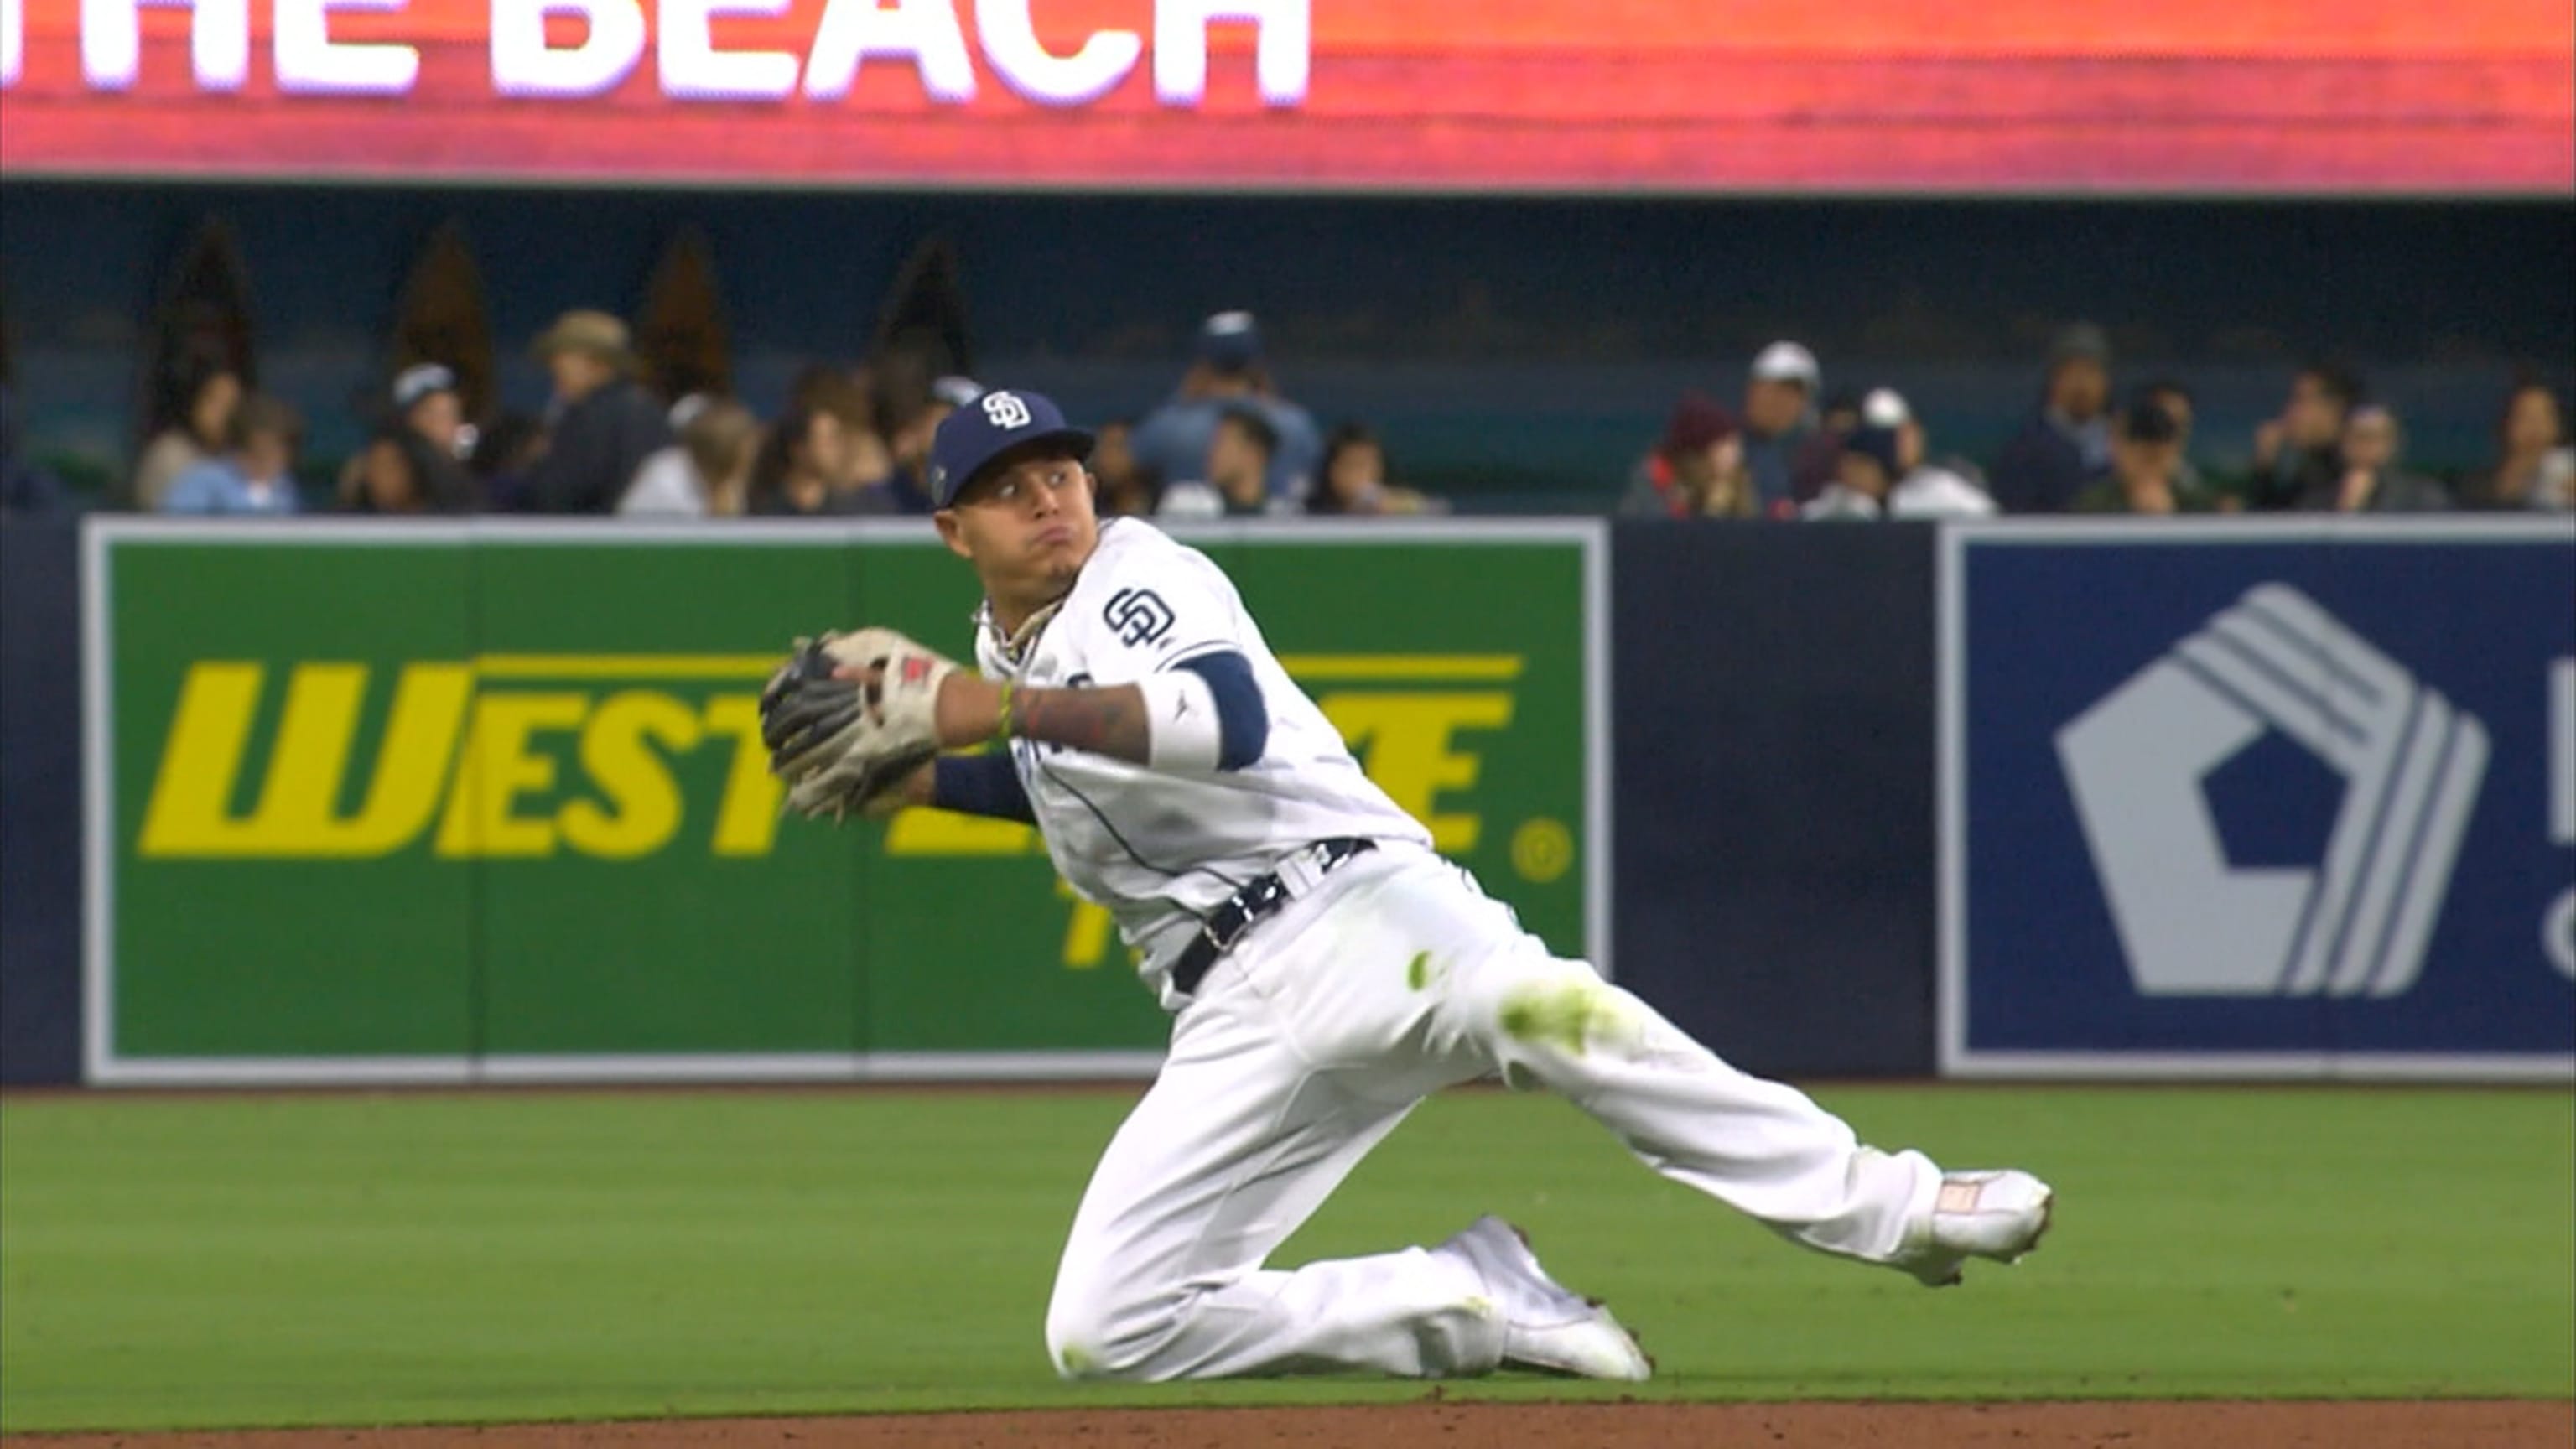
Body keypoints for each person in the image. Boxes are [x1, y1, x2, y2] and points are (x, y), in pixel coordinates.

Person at [759, 386, 2055, 1386]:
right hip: (1232, 1013)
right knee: (1106, 1332)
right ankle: (1465, 1304)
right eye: (1006, 488)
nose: (1049, 499)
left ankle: (1896, 1206)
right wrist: (929, 785)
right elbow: (1064, 783)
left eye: (1060, 470)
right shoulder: (1003, 646)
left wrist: (995, 711)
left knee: (1547, 1016)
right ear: (952, 532)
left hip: (1362, 910)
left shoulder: (1134, 573)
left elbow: (1220, 724)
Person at [1130, 311, 1323, 505]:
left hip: (1189, 532)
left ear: (1203, 364)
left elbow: (1130, 465)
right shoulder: (1294, 422)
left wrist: (1181, 398)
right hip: (1284, 531)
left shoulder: (1167, 425)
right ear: (1255, 362)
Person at [521, 310, 673, 513]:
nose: (553, 365)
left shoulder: (586, 417)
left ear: (596, 363)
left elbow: (556, 495)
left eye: (562, 355)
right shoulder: (652, 412)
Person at [1987, 324, 2112, 514]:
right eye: (2071, 372)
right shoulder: (2024, 449)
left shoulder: (2124, 443)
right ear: (2053, 379)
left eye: (2091, 371)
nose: (2082, 384)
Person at [1802, 417, 1995, 521]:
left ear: (1884, 471)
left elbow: (1987, 518)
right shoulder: (1838, 505)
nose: (1848, 472)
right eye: (1846, 462)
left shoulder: (1932, 492)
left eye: (1860, 464)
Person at [131, 353, 242, 512]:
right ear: (193, 401)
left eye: (232, 404)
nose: (225, 413)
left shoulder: (244, 459)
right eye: (215, 401)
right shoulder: (169, 454)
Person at [2245, 362, 2361, 512]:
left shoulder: (2358, 475)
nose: (2290, 413)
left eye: (2301, 401)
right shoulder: (2305, 473)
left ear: (2335, 408)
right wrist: (2264, 472)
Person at [161, 394, 302, 516]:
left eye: (278, 453)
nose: (270, 462)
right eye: (260, 453)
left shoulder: (284, 487)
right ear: (240, 449)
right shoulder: (204, 481)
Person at [747, 398, 887, 517]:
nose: (837, 448)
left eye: (837, 438)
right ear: (798, 450)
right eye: (827, 441)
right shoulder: (766, 512)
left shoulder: (852, 510)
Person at [1621, 393, 1753, 519]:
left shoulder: (1736, 481)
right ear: (1702, 450)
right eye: (1727, 443)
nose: (1737, 454)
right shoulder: (1654, 482)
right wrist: (1712, 513)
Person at [2072, 400, 2216, 514]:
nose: (2148, 468)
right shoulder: (2091, 507)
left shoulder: (2200, 505)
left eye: (2156, 457)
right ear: (2117, 448)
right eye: (2141, 457)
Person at [2298, 405, 2450, 513]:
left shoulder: (2423, 496)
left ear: (2393, 444)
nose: (2365, 445)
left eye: (2374, 437)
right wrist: (2347, 508)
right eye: (2357, 436)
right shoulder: (2317, 500)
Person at [1156, 406, 1294, 520]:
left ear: (1254, 453)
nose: (1213, 453)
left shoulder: (1287, 517)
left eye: (1223, 444)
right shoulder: (1186, 504)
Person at [2461, 380, 2575, 512]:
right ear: (2505, 424)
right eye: (2525, 417)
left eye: (2544, 417)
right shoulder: (2476, 487)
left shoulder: (2568, 480)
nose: (2535, 427)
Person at [1739, 340, 1819, 513]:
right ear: (1754, 390)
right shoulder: (1726, 448)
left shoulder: (1806, 456)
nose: (1785, 403)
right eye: (1777, 391)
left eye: (1796, 395)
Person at [1309, 423, 1441, 516]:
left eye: (1367, 465)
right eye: (1351, 464)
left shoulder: (1395, 503)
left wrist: (1399, 507)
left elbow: (1434, 508)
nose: (1359, 474)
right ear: (1331, 470)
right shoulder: (1308, 512)